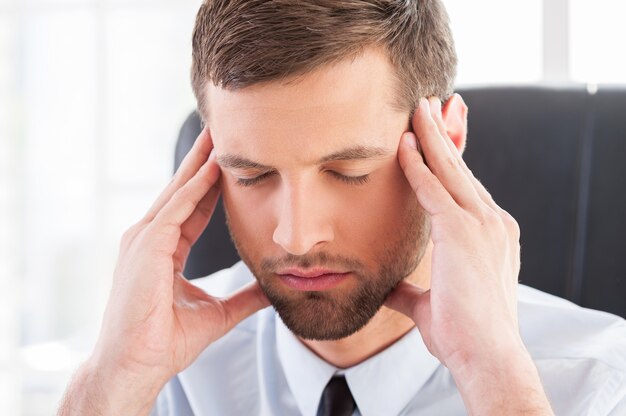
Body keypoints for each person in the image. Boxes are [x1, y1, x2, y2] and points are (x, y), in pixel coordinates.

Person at [59, 1, 626, 415]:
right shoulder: (160, 379)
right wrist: (111, 384)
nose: (297, 237)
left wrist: (494, 378)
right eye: (251, 174)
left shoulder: (600, 385)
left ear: (444, 143)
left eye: (349, 172)